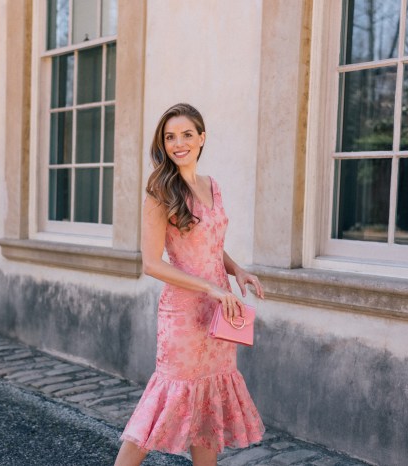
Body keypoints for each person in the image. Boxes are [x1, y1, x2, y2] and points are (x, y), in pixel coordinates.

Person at [114, 103, 266, 466]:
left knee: (209, 401)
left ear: (201, 138)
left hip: (219, 310)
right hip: (184, 313)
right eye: (170, 137)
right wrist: (210, 287)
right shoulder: (160, 191)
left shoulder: (212, 185)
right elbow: (151, 263)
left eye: (186, 134)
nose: (178, 143)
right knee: (166, 400)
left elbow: (210, 242)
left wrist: (237, 271)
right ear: (163, 143)